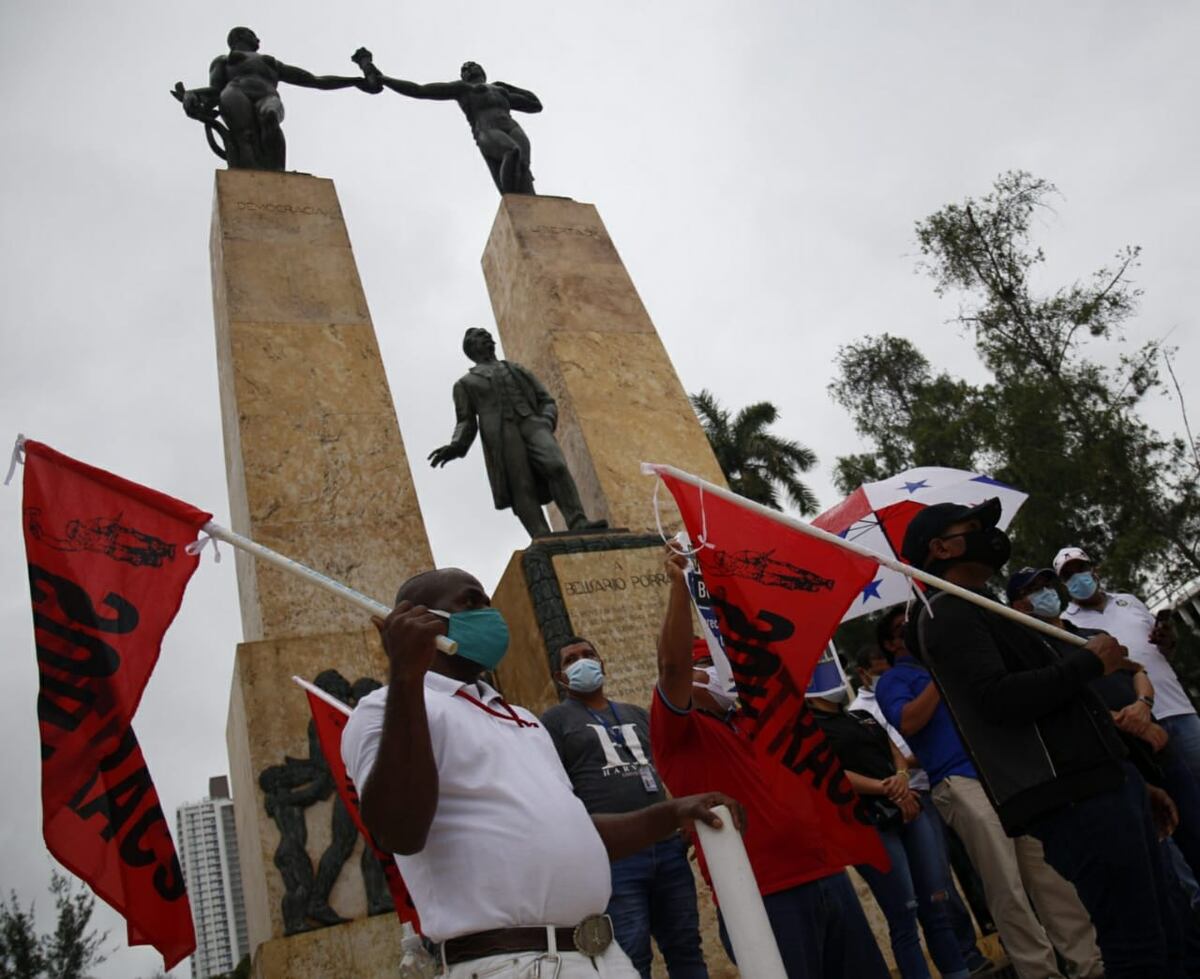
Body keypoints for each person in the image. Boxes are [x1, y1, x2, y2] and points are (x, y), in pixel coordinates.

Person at [341, 567, 743, 978]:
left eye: (487, 602)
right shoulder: (383, 709)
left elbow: (576, 834)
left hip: (601, 957)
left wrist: (670, 814)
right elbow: (398, 832)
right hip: (511, 962)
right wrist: (406, 675)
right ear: (418, 621)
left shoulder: (522, 719)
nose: (488, 614)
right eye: (470, 602)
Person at [899, 498, 1187, 976]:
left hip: (1105, 784)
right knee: (1136, 944)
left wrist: (1131, 777)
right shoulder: (946, 615)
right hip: (1072, 798)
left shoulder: (983, 609)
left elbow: (1072, 707)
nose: (985, 535)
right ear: (941, 547)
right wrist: (1089, 662)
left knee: (1168, 927)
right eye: (971, 527)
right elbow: (999, 700)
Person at [651, 550, 890, 979]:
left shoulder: (760, 716)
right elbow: (671, 668)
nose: (712, 674)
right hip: (761, 894)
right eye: (702, 666)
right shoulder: (677, 735)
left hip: (827, 875)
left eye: (715, 663)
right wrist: (678, 587)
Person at [873, 602, 1104, 979]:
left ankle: (1088, 963)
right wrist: (937, 674)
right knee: (1005, 883)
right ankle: (1039, 972)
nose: (911, 633)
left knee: (1050, 873)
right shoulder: (894, 681)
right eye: (901, 630)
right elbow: (909, 721)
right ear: (891, 644)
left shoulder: (960, 658)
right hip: (958, 780)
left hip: (1003, 773)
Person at [542, 636, 707, 978]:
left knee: (686, 947)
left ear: (602, 665)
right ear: (561, 677)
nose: (583, 662)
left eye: (588, 655)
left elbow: (664, 765)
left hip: (666, 849)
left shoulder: (635, 714)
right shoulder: (555, 722)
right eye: (572, 659)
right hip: (614, 856)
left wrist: (683, 815)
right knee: (631, 957)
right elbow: (553, 786)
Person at [850, 639, 995, 976]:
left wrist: (904, 768)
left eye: (887, 669)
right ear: (863, 673)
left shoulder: (902, 689)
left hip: (938, 783)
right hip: (909, 799)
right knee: (937, 888)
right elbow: (894, 749)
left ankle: (981, 938)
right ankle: (966, 954)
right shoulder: (860, 711)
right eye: (877, 671)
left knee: (972, 867)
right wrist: (901, 777)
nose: (884, 675)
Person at [807, 685, 969, 979]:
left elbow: (894, 750)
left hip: (908, 810)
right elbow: (830, 772)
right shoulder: (810, 730)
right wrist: (886, 789)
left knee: (936, 906)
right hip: (869, 823)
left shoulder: (859, 716)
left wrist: (902, 778)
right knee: (904, 916)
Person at [428, 328, 605, 538]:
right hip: (502, 436)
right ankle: (541, 536)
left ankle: (578, 522)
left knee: (556, 466)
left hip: (532, 424)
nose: (487, 337)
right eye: (480, 336)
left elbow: (546, 400)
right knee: (520, 485)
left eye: (487, 335)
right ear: (471, 348)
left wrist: (545, 421)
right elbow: (466, 421)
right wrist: (456, 446)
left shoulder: (516, 369)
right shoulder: (465, 384)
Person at [1056, 546, 1199, 783]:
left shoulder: (1128, 601)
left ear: (1094, 570)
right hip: (1138, 724)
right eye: (1068, 575)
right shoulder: (1067, 623)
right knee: (1180, 799)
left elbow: (1164, 651)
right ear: (1063, 584)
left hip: (1178, 708)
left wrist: (1168, 642)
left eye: (1081, 568)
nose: (1076, 577)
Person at [177, 27, 372, 170]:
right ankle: (250, 174)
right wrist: (193, 95)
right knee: (245, 136)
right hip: (235, 92)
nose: (258, 39)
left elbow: (314, 80)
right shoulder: (223, 61)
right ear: (239, 36)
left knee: (270, 116)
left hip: (267, 95)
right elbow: (215, 91)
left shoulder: (272, 63)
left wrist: (354, 81)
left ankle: (278, 171)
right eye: (253, 35)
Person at [357, 56, 542, 193]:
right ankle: (513, 200)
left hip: (511, 125)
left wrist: (507, 87)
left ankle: (529, 201)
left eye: (473, 66)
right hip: (487, 129)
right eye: (465, 69)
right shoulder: (462, 89)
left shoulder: (500, 90)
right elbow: (420, 90)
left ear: (483, 70)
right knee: (511, 151)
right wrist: (384, 79)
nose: (469, 68)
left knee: (523, 165)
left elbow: (535, 105)